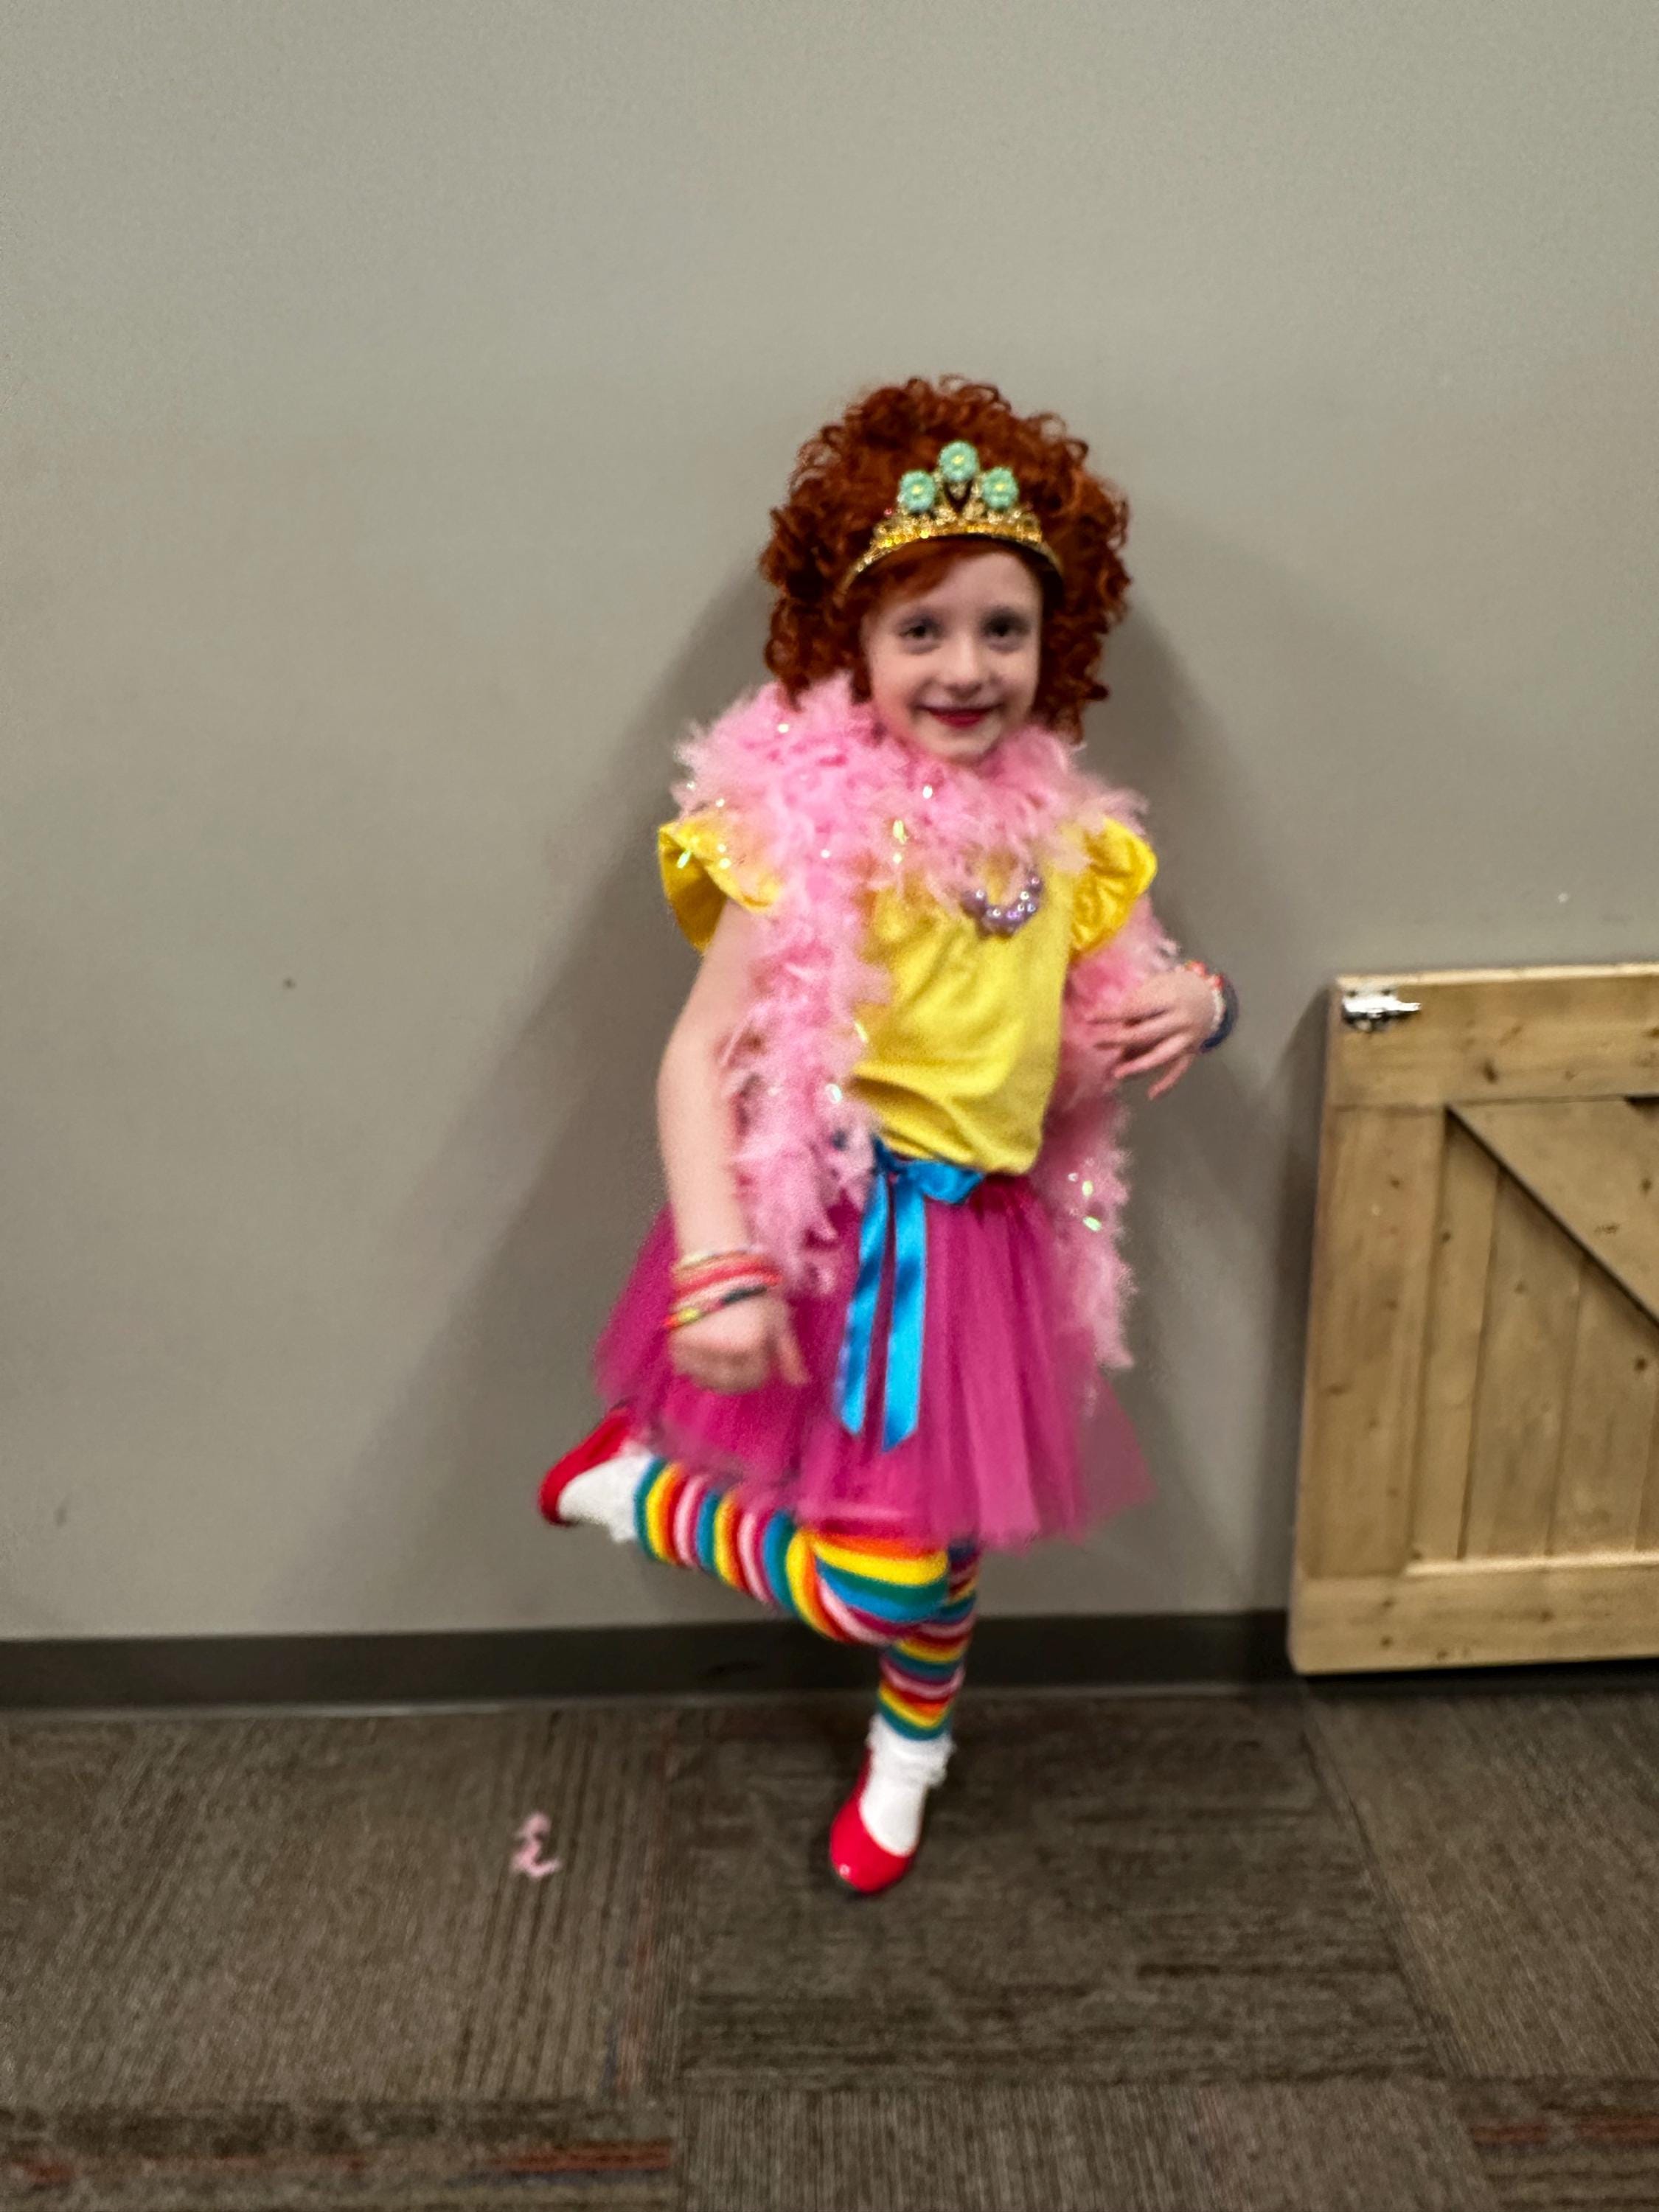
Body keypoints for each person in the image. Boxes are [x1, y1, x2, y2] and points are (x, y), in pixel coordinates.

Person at [540, 377, 1237, 1894]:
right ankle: (633, 1486)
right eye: (920, 629)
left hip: (990, 1237)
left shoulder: (1074, 841)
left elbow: (1125, 999)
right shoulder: (808, 837)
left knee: (950, 1537)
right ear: (848, 641)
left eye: (1003, 628)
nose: (966, 667)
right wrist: (717, 1266)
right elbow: (696, 1057)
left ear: (1057, 641)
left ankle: (909, 1756)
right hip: (841, 1238)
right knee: (878, 1582)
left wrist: (1204, 1003)